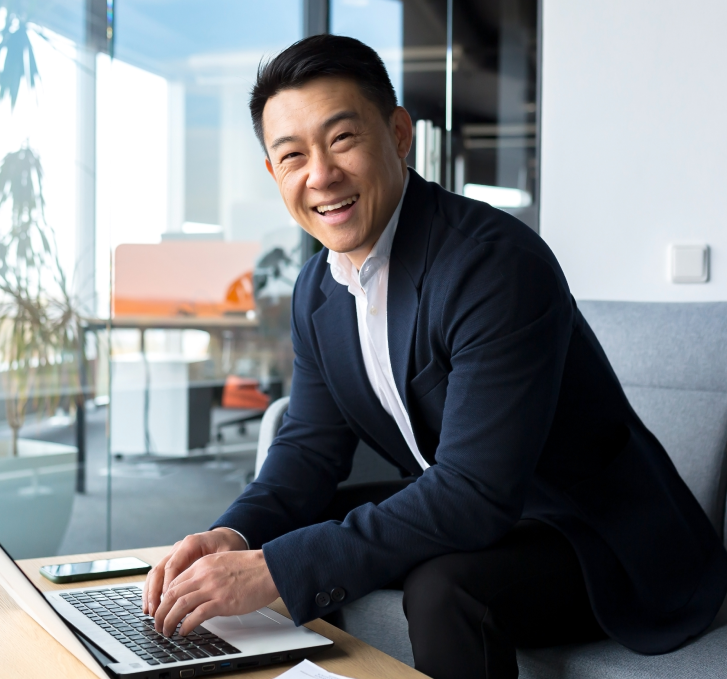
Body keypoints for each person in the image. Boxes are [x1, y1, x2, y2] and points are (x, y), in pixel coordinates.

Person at [142, 35, 727, 678]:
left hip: (596, 536)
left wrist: (277, 568)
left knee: (443, 586)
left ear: (398, 134)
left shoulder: (492, 265)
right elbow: (307, 452)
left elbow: (474, 494)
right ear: (274, 173)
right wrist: (233, 538)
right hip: (492, 508)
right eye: (292, 155)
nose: (320, 175)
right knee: (297, 532)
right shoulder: (317, 290)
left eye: (341, 140)